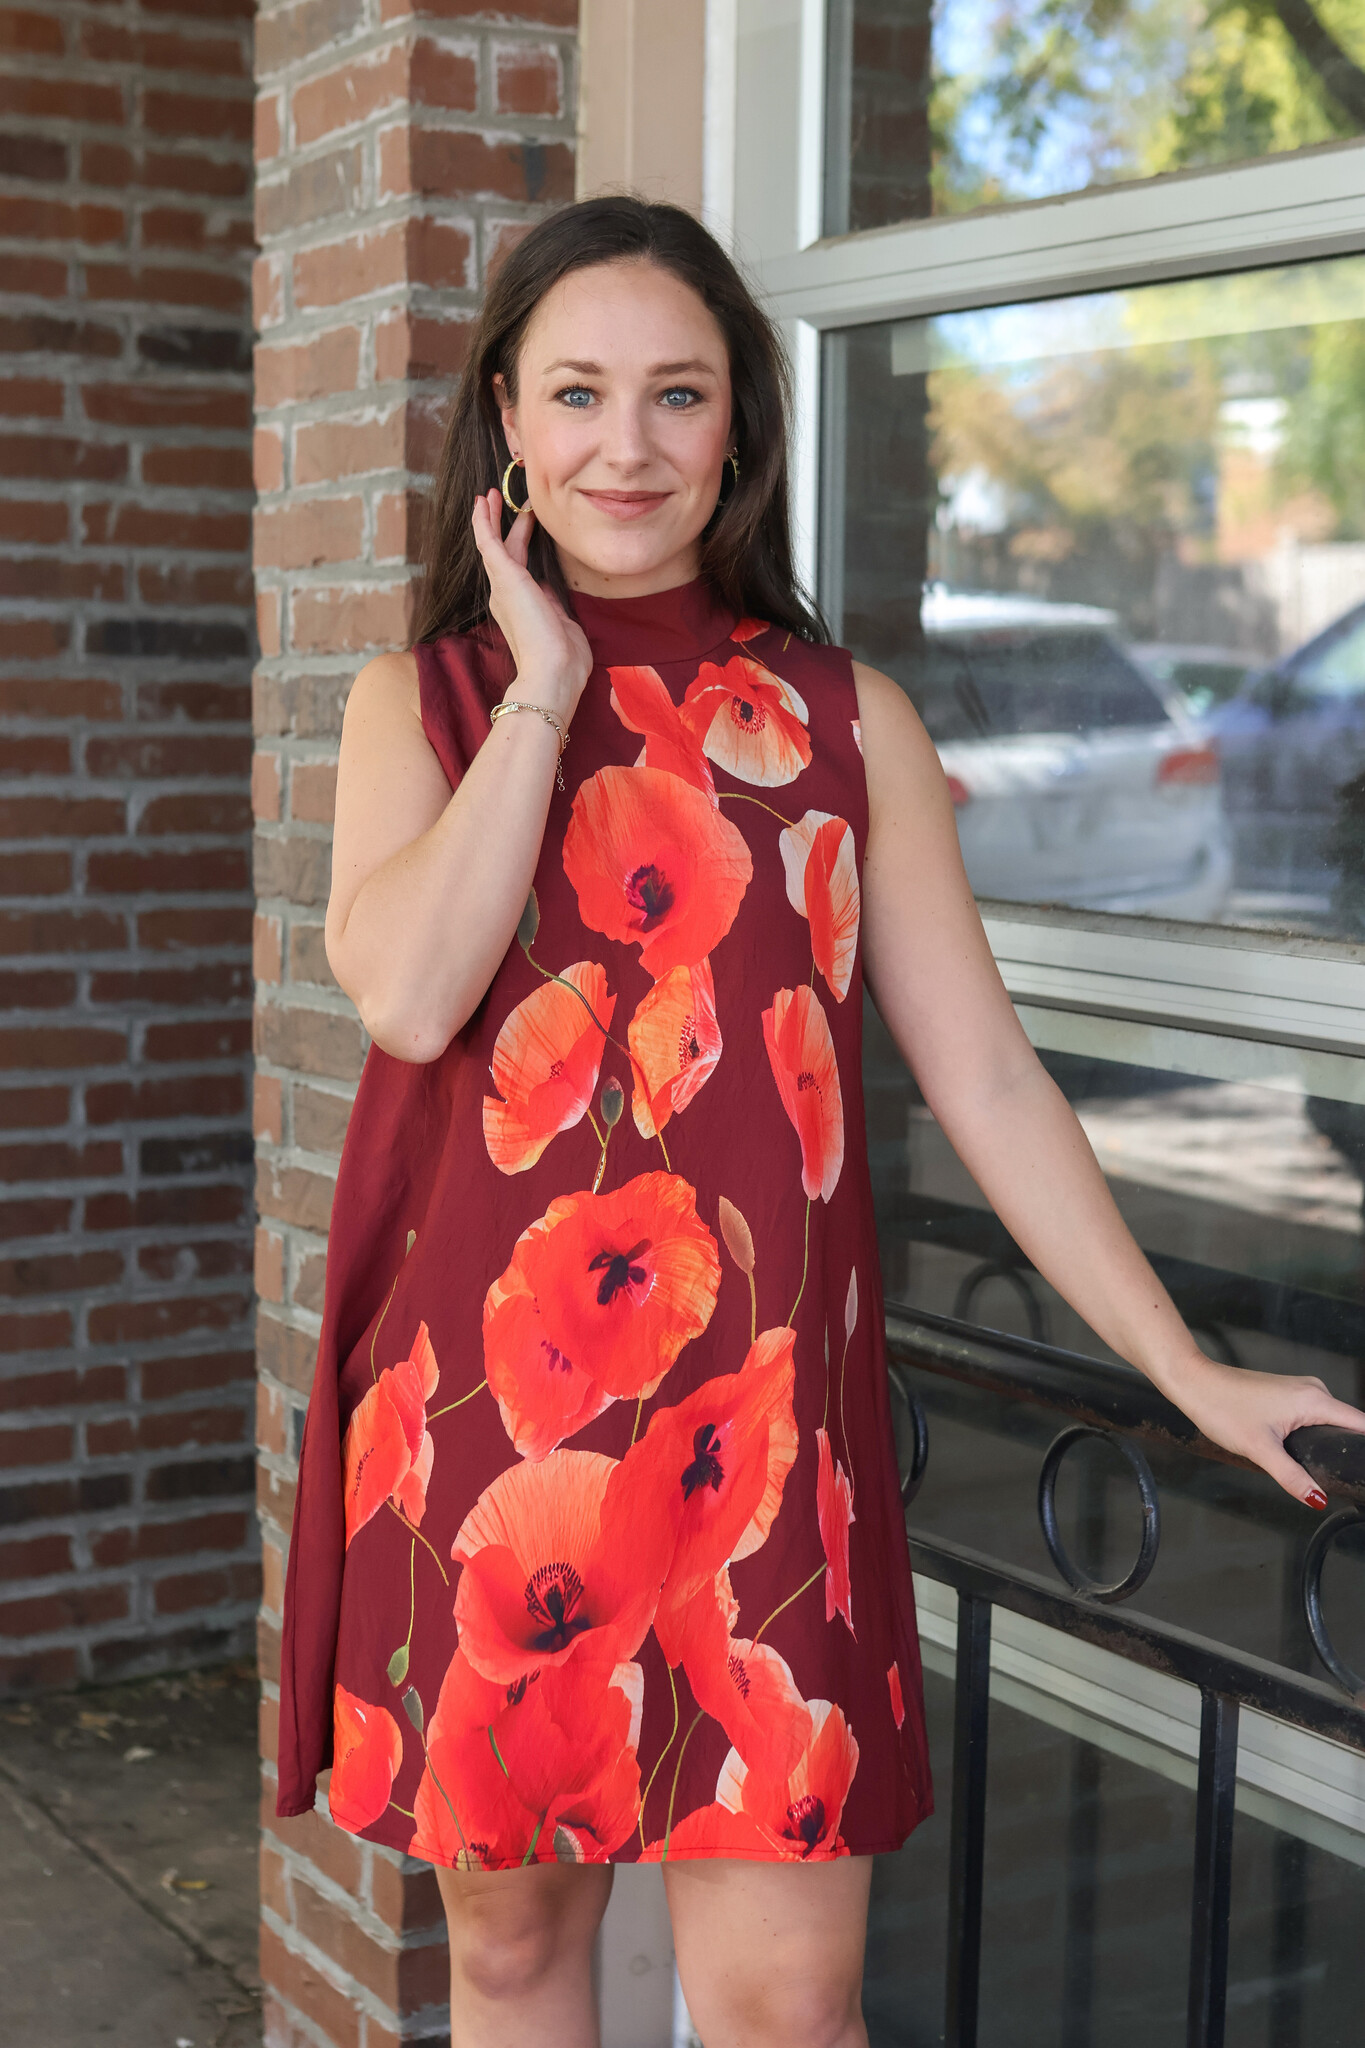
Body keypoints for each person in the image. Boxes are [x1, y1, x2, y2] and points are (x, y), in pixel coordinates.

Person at [276, 196, 1365, 2048]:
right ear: (507, 423)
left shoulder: (842, 721)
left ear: (738, 427)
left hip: (762, 1443)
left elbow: (988, 1077)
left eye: (678, 393)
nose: (628, 444)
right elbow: (409, 997)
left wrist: (1183, 1369)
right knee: (517, 1963)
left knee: (791, 2006)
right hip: (488, 1420)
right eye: (578, 394)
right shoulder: (427, 704)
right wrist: (545, 691)